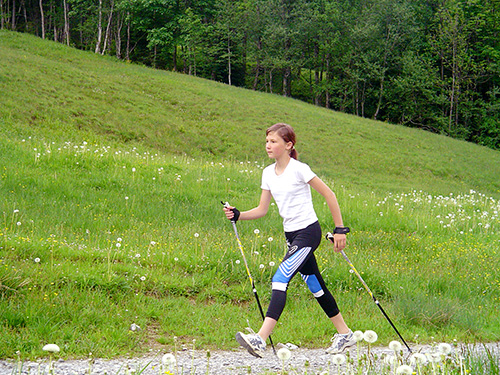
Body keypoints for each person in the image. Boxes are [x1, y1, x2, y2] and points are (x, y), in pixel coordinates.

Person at [223, 123, 356, 358]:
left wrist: (340, 230)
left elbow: (329, 194)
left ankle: (260, 339)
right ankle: (345, 334)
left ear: (288, 145)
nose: (268, 146)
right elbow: (263, 209)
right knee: (315, 285)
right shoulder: (267, 173)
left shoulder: (299, 169)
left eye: (273, 141)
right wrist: (239, 214)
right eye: (266, 141)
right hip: (291, 236)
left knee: (280, 277)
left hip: (308, 232)